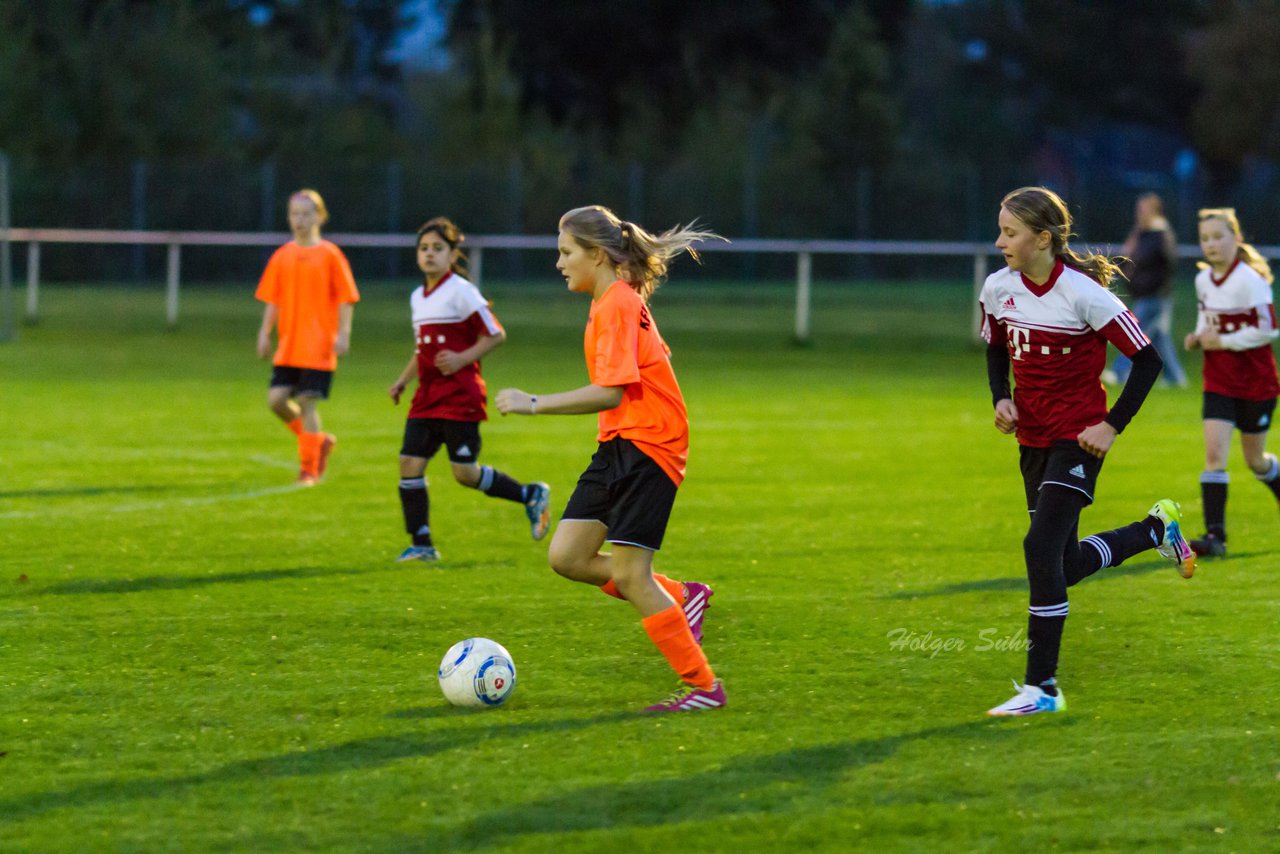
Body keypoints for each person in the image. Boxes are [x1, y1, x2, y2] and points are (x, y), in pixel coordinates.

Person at [495, 205, 723, 713]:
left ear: (596, 255)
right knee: (568, 557)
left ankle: (704, 688)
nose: (559, 263)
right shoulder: (610, 301)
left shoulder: (617, 302)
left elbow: (611, 392)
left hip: (649, 446)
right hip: (619, 444)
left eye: (566, 252)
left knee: (630, 576)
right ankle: (682, 596)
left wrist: (533, 403)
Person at [980, 186, 1196, 717]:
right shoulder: (997, 287)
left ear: (1043, 238)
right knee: (1065, 562)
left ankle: (1043, 689)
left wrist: (1110, 425)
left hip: (1076, 440)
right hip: (1031, 440)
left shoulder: (1085, 294)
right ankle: (1154, 530)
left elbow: (1146, 362)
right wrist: (1001, 397)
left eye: (1010, 232)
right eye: (1001, 230)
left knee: (1038, 549)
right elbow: (995, 348)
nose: (999, 241)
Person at [388, 217, 551, 562]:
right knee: (408, 463)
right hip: (427, 397)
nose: (429, 254)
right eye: (424, 248)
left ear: (452, 254)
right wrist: (403, 380)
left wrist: (463, 358)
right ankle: (422, 545)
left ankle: (529, 494)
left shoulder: (461, 291)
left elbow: (495, 334)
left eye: (437, 248)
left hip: (460, 396)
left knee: (464, 473)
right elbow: (424, 351)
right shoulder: (418, 296)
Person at [1183, 208, 1280, 558]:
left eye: (1217, 236)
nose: (1210, 244)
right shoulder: (1202, 279)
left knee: (1256, 462)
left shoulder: (1250, 280)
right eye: (1204, 238)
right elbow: (1206, 320)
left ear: (1236, 239)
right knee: (1214, 456)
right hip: (1219, 381)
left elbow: (1269, 329)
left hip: (1257, 384)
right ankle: (1215, 538)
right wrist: (1196, 337)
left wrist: (1223, 341)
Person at [256, 189, 360, 486]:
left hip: (319, 346)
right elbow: (272, 300)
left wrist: (343, 333)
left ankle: (309, 470)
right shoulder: (282, 256)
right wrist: (264, 334)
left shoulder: (330, 255)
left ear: (320, 217)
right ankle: (318, 442)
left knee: (306, 402)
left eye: (306, 214)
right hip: (289, 346)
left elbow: (346, 298)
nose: (299, 220)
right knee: (276, 401)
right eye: (294, 214)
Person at [1103, 193, 1187, 388]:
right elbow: (1131, 257)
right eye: (1138, 209)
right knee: (1159, 338)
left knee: (1135, 333)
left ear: (1155, 211)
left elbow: (1167, 265)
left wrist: (1153, 285)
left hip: (1156, 294)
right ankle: (1175, 377)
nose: (1139, 213)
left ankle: (1119, 371)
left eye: (1144, 209)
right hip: (1144, 293)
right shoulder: (1142, 233)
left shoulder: (1161, 234)